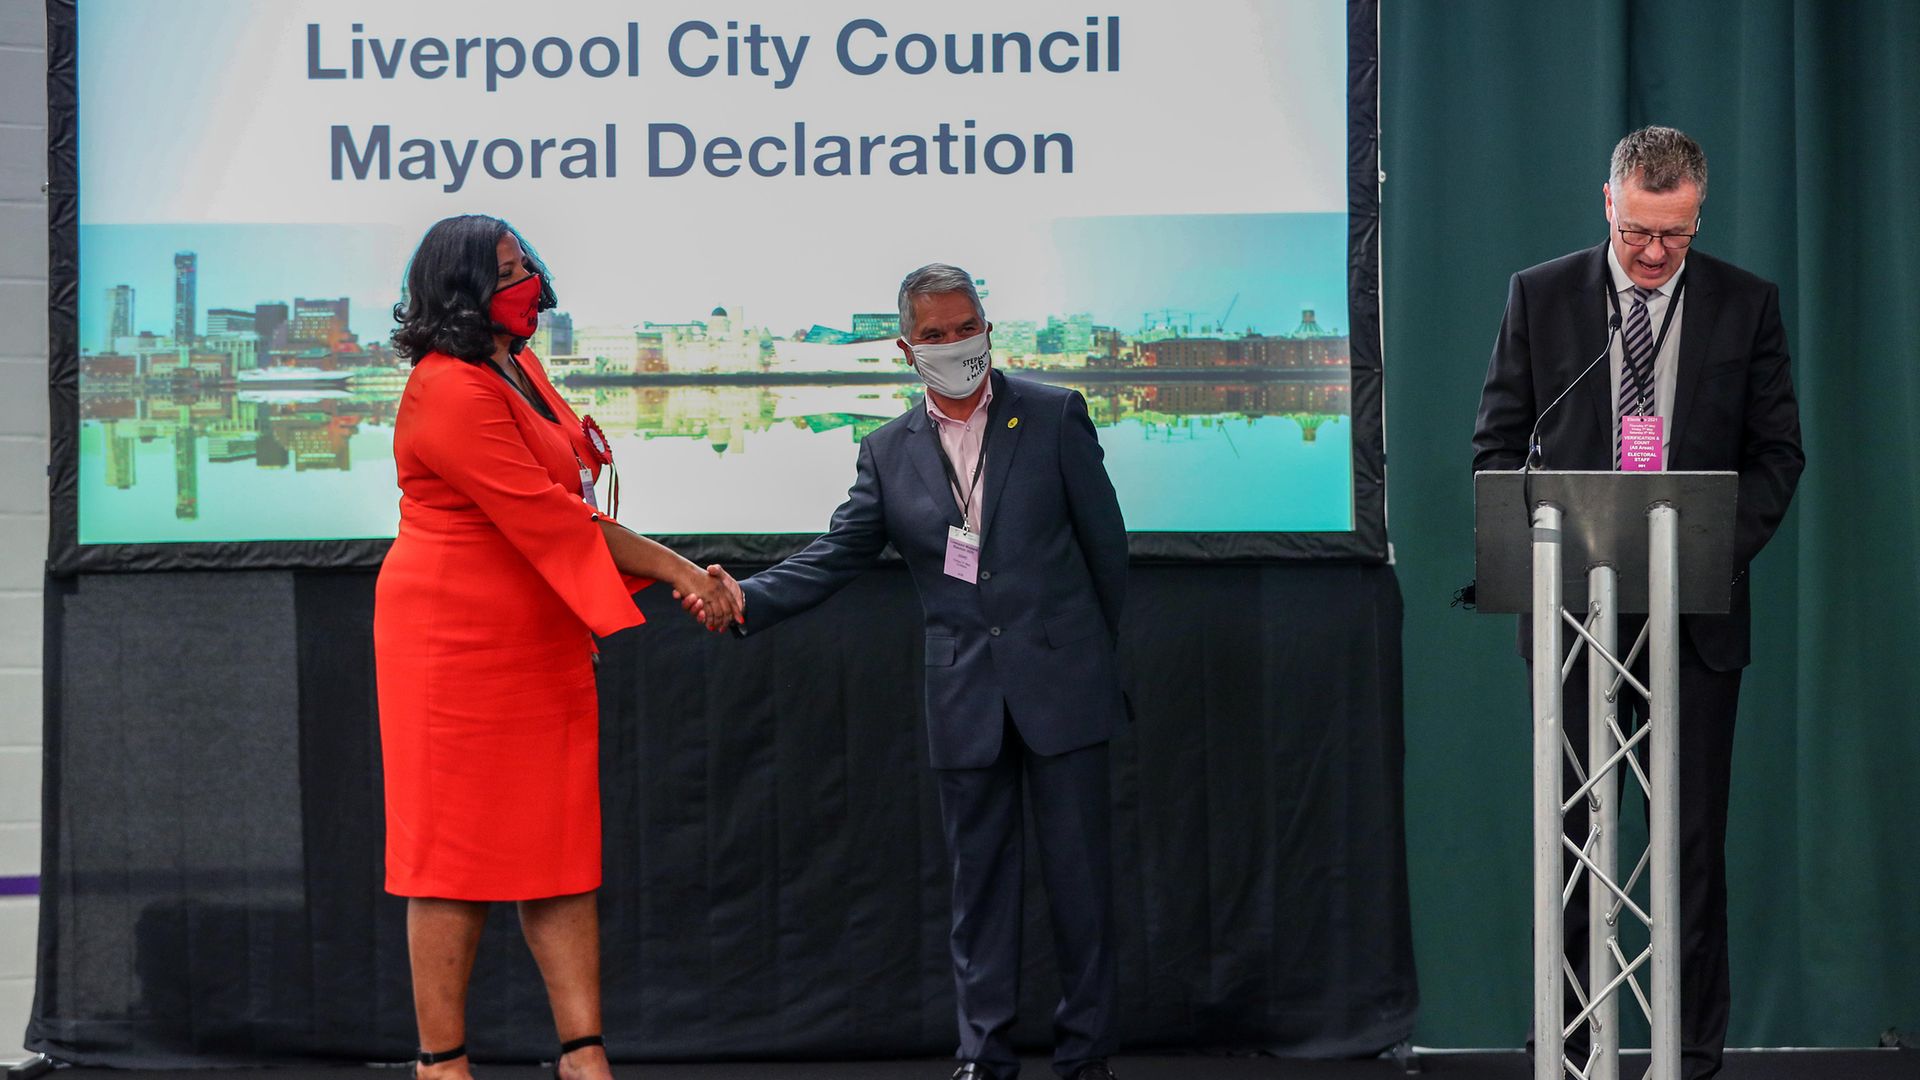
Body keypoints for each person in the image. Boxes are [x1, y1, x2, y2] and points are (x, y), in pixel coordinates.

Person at [697, 264, 1128, 1080]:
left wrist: (1088, 659)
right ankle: (984, 1056)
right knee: (978, 894)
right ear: (906, 348)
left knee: (1083, 891)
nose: (954, 344)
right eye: (934, 335)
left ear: (987, 328)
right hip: (965, 695)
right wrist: (745, 598)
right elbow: (836, 556)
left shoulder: (1053, 414)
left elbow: (1108, 551)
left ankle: (1085, 1056)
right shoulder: (886, 451)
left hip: (1064, 688)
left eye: (966, 326)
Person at [1471, 127, 1804, 1079]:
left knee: (1687, 848)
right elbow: (1498, 447)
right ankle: (1569, 1045)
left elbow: (1778, 455)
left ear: (1697, 216)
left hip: (1693, 626)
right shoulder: (1539, 297)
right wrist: (1551, 548)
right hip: (1572, 617)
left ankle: (1688, 1053)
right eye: (1639, 236)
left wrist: (1698, 555)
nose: (1655, 256)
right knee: (1575, 837)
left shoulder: (1747, 306)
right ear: (1607, 205)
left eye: (1676, 236)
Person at [374, 214, 740, 1080]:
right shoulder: (446, 388)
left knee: (558, 843)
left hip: (539, 631)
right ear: (460, 290)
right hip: (453, 644)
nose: (527, 280)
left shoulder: (519, 363)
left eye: (525, 263)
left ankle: (583, 1056)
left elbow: (572, 491)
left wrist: (675, 570)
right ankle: (443, 1064)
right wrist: (688, 575)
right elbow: (551, 516)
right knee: (451, 855)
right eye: (505, 273)